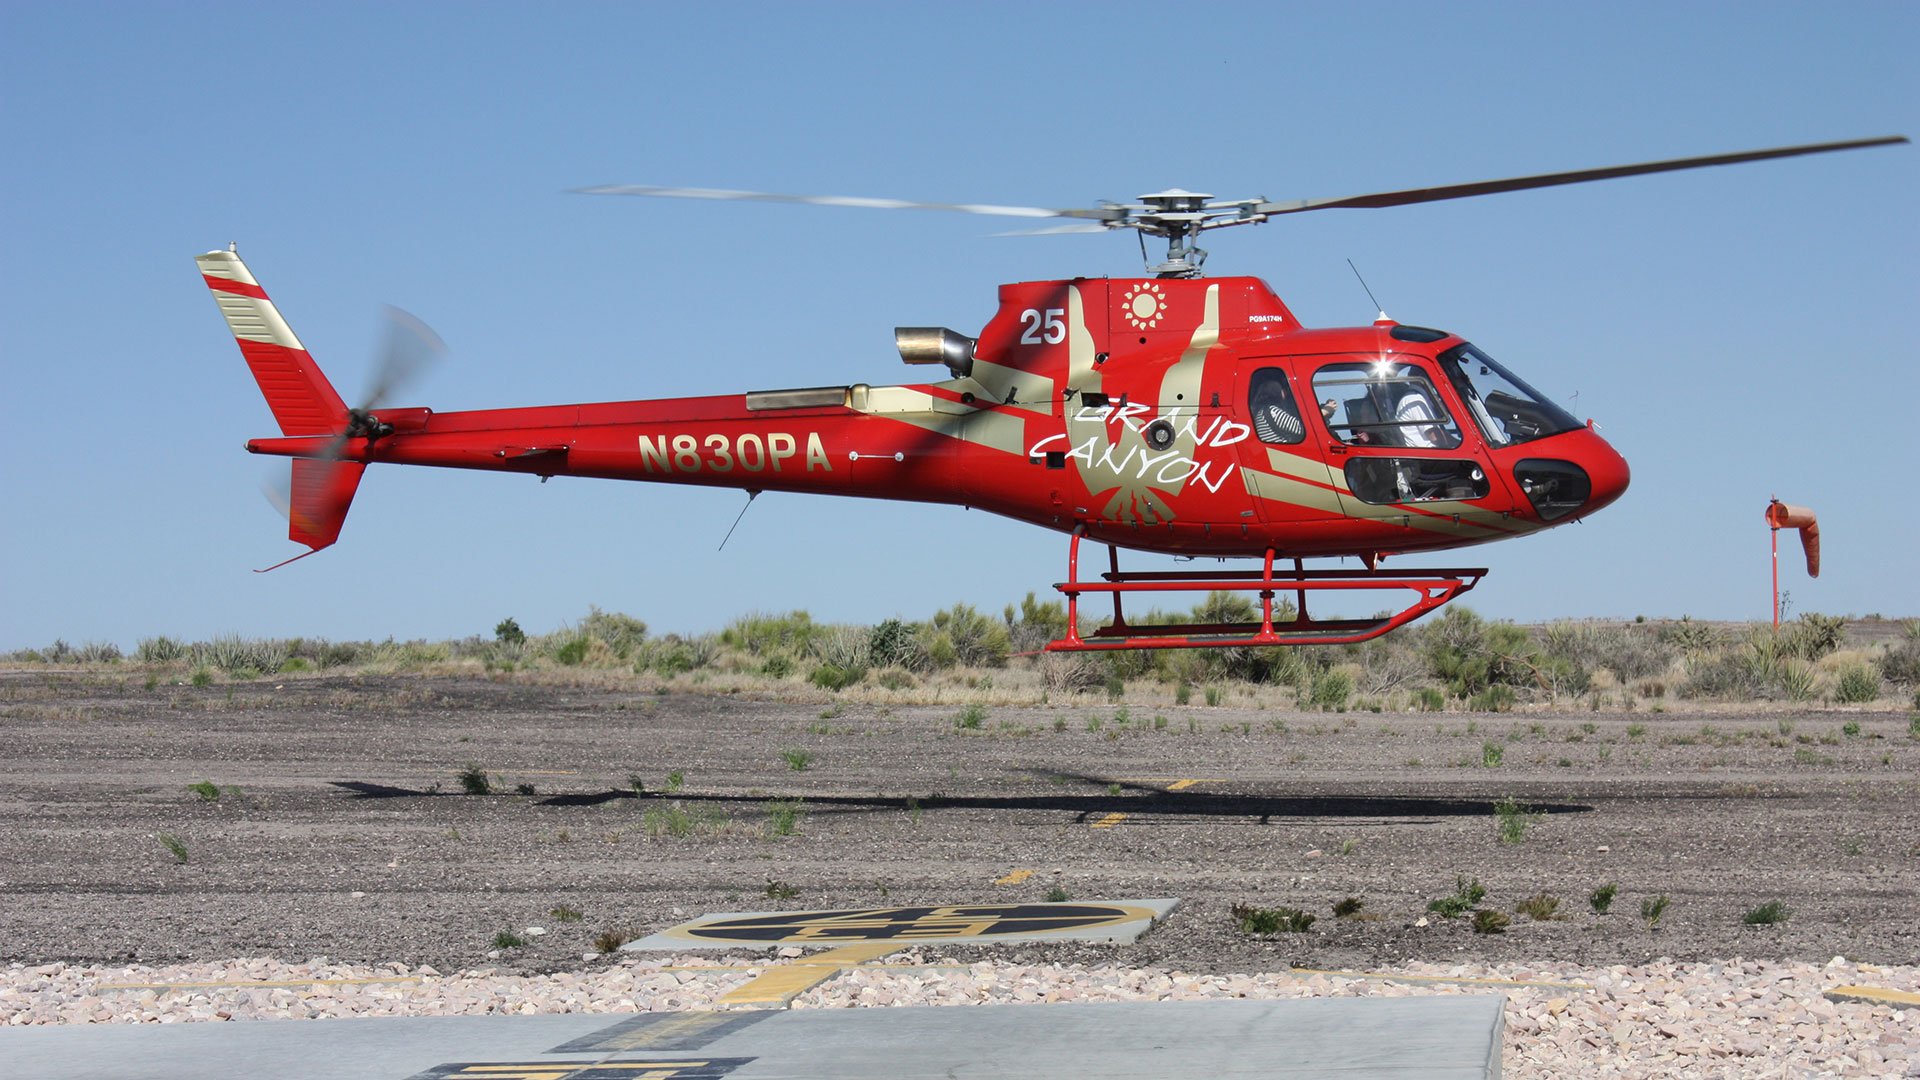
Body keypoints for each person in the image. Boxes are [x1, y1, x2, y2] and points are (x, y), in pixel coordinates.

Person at [1249, 370, 1305, 444]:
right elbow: (1300, 428)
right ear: (1275, 392)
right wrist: (1324, 411)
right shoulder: (1273, 411)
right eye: (1282, 390)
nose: (1285, 393)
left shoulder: (1262, 411)